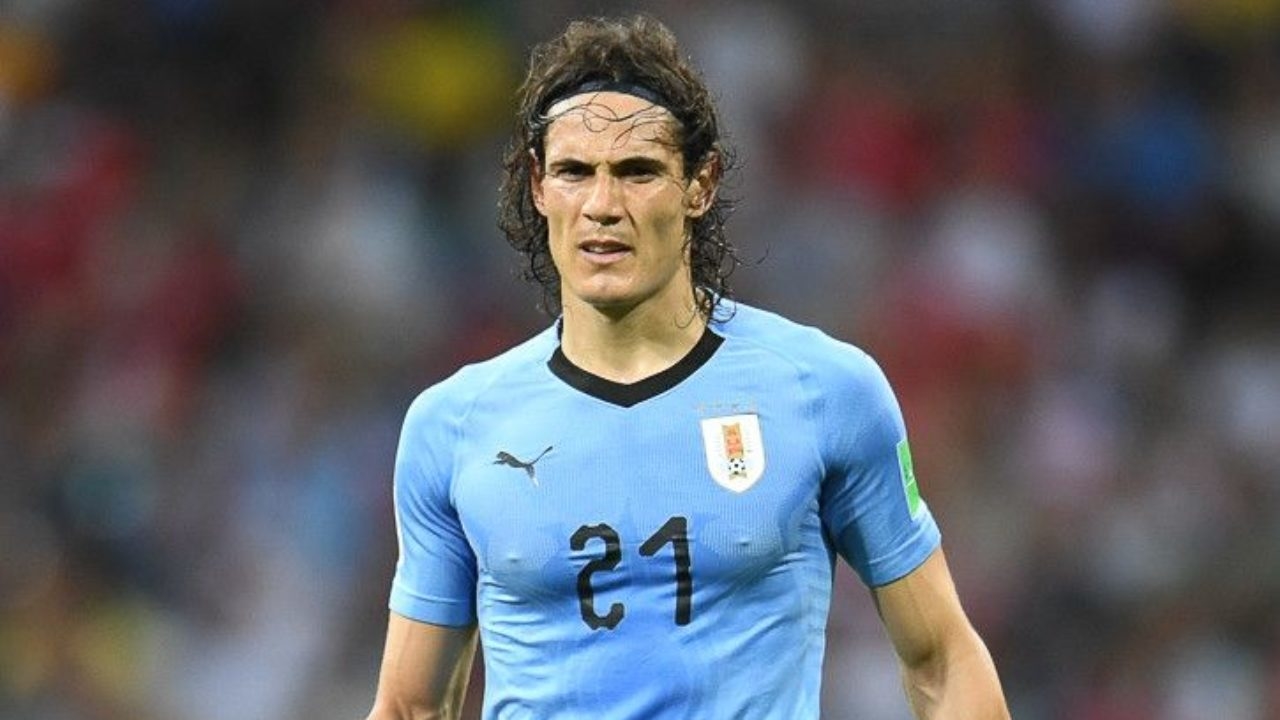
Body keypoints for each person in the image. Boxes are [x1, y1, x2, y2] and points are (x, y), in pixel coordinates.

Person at [365, 14, 1009, 720]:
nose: (602, 206)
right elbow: (409, 707)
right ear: (539, 187)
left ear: (700, 183)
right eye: (575, 172)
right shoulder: (453, 425)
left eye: (637, 172)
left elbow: (941, 661)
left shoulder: (826, 391)